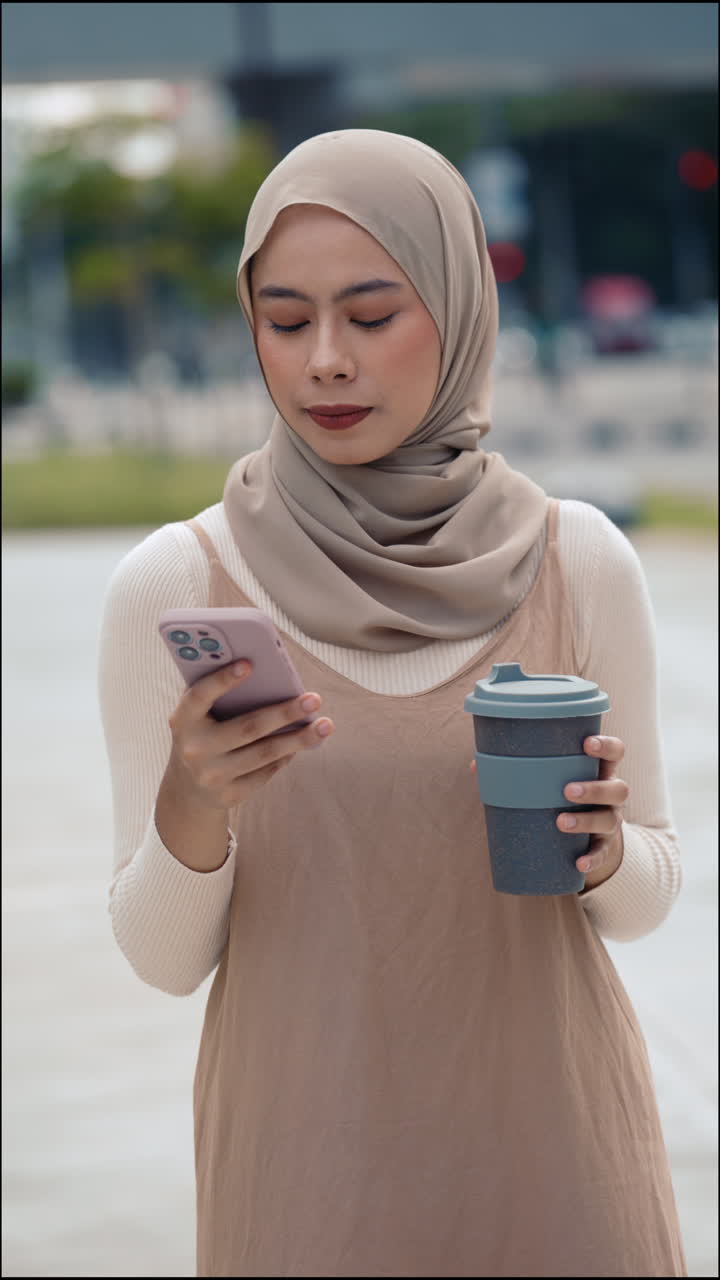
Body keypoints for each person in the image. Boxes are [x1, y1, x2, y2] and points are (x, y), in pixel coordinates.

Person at [99, 129, 687, 1278]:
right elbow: (164, 960)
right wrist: (193, 800)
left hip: (562, 1165)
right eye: (285, 321)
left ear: (460, 311)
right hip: (305, 1178)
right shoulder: (178, 582)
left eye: (372, 316)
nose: (326, 360)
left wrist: (608, 846)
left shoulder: (577, 560)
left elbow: (647, 899)